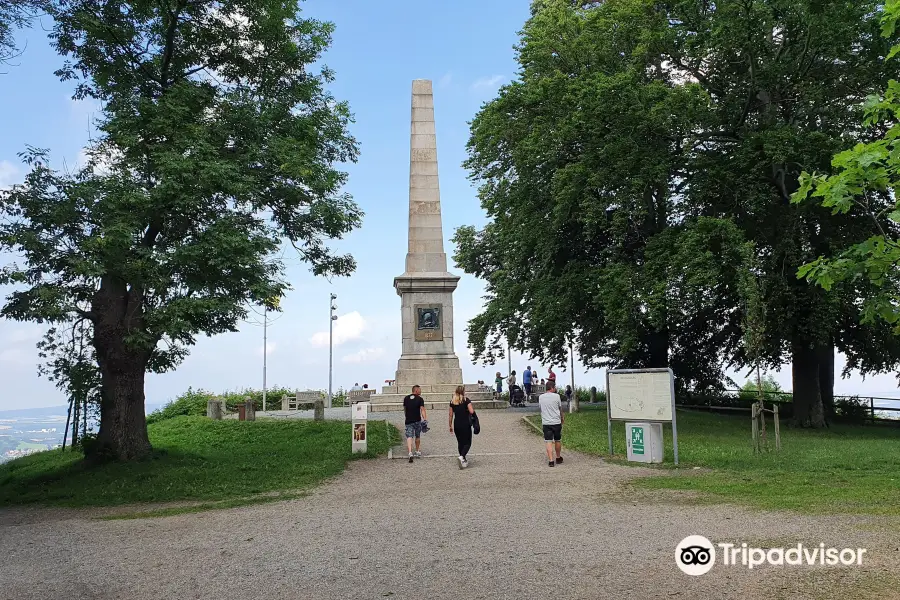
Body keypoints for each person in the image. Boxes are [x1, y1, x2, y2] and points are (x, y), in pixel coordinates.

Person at [448, 385, 475, 469]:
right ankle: (462, 456)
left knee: (460, 442)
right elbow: (471, 411)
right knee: (467, 442)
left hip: (457, 424)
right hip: (465, 423)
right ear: (463, 391)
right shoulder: (466, 400)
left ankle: (463, 459)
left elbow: (450, 414)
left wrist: (450, 425)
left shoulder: (452, 401)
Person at [539, 380, 564, 467]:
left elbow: (541, 409)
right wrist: (562, 418)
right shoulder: (557, 396)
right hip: (556, 422)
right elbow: (560, 408)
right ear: (552, 388)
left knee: (548, 441)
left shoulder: (541, 397)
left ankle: (551, 460)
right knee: (557, 440)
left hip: (546, 422)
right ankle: (558, 457)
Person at [403, 385, 427, 463]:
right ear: (416, 391)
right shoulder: (420, 399)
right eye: (419, 390)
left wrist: (406, 416)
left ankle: (410, 452)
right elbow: (422, 409)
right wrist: (425, 419)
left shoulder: (406, 398)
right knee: (417, 436)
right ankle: (417, 450)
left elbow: (405, 409)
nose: (421, 391)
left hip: (408, 420)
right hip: (417, 420)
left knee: (409, 436)